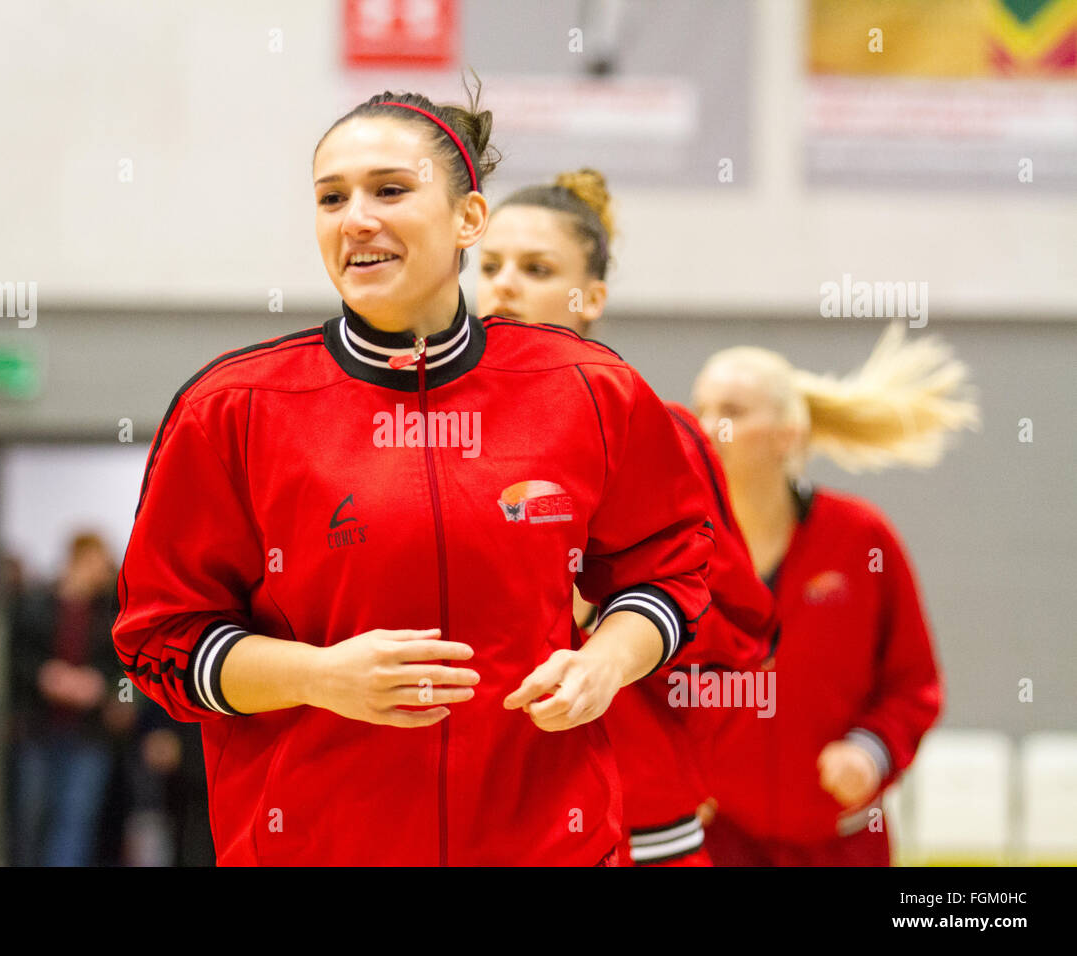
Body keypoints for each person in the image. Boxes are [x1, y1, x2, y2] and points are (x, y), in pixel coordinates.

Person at [112, 82, 714, 866]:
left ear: (469, 219)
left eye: (390, 190)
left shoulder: (588, 388)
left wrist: (605, 661)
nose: (356, 217)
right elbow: (161, 641)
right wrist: (320, 676)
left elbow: (671, 571)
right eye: (332, 198)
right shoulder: (232, 407)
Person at [476, 168, 778, 866]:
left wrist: (615, 614)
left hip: (632, 823)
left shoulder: (655, 434)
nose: (504, 285)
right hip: (476, 822)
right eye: (489, 265)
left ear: (592, 297)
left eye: (536, 268)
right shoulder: (427, 431)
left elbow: (740, 634)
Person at [690, 323, 977, 865]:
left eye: (731, 411)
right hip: (714, 843)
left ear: (788, 434)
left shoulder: (861, 537)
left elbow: (913, 681)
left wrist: (872, 751)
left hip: (842, 843)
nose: (707, 427)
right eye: (700, 408)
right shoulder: (677, 548)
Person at [9, 532, 129, 866]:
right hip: (36, 728)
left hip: (89, 732)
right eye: (96, 562)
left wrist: (100, 686)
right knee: (30, 816)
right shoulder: (34, 602)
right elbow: (14, 657)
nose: (102, 572)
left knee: (76, 818)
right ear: (76, 559)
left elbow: (126, 669)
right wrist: (44, 676)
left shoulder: (111, 612)